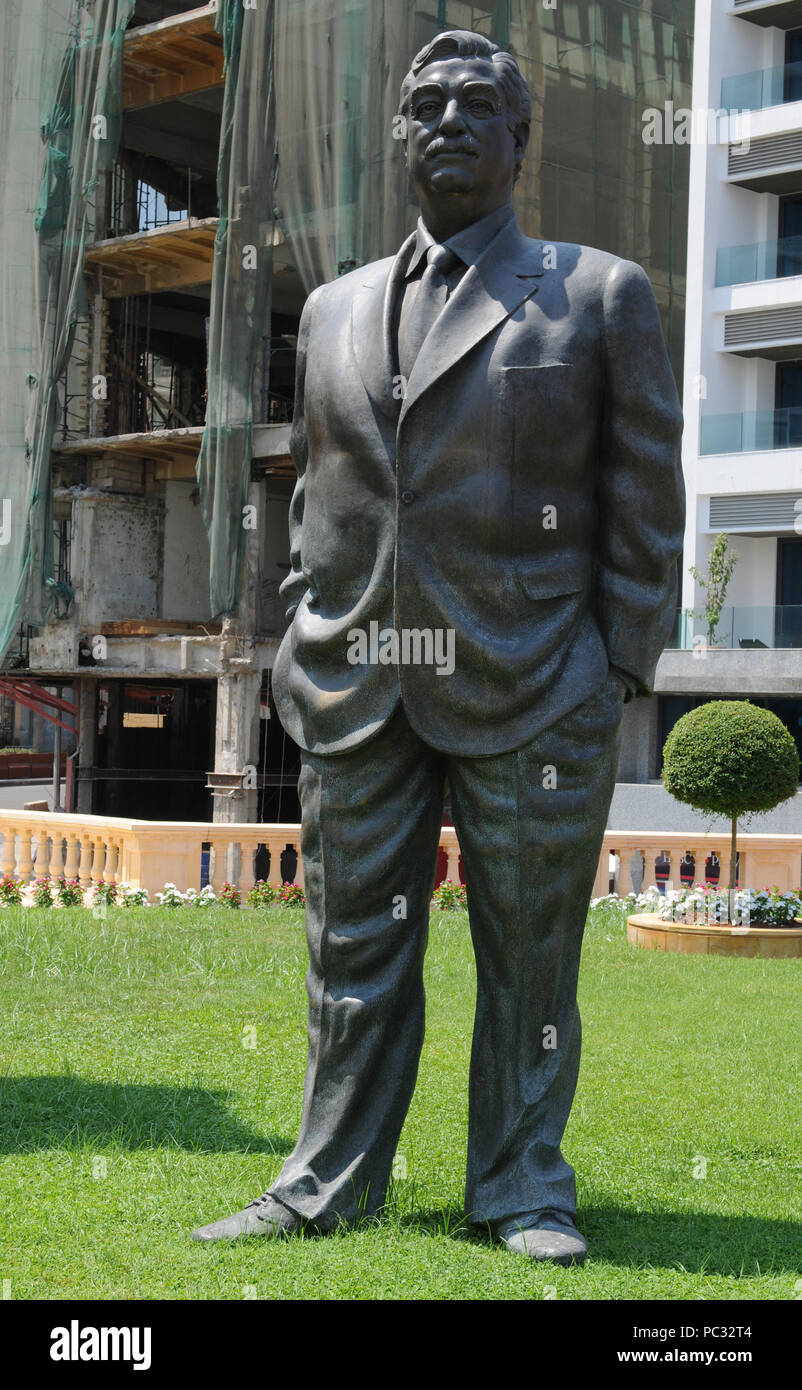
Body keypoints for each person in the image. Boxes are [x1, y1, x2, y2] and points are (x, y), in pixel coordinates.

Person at [193, 28, 685, 1265]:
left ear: (519, 141)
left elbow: (644, 497)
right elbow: (322, 491)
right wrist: (309, 616)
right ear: (401, 138)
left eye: (478, 106)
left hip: (536, 686)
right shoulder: (334, 308)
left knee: (529, 962)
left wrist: (614, 669)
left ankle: (521, 1186)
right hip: (359, 681)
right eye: (426, 106)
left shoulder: (596, 293)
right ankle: (326, 1183)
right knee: (348, 952)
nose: (449, 122)